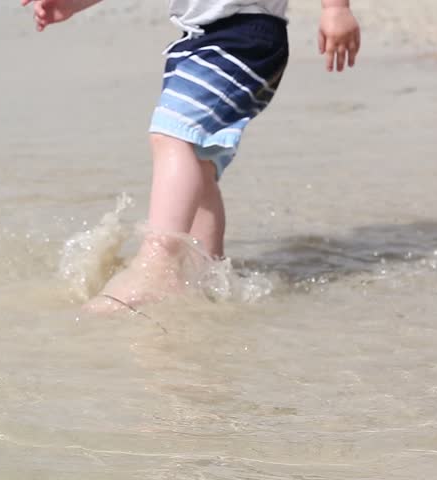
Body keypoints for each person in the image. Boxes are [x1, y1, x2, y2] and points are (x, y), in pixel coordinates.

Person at [20, 0, 361, 311]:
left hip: (243, 34)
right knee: (199, 163)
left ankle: (157, 263)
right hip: (198, 40)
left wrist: (334, 8)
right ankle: (206, 277)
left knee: (171, 135)